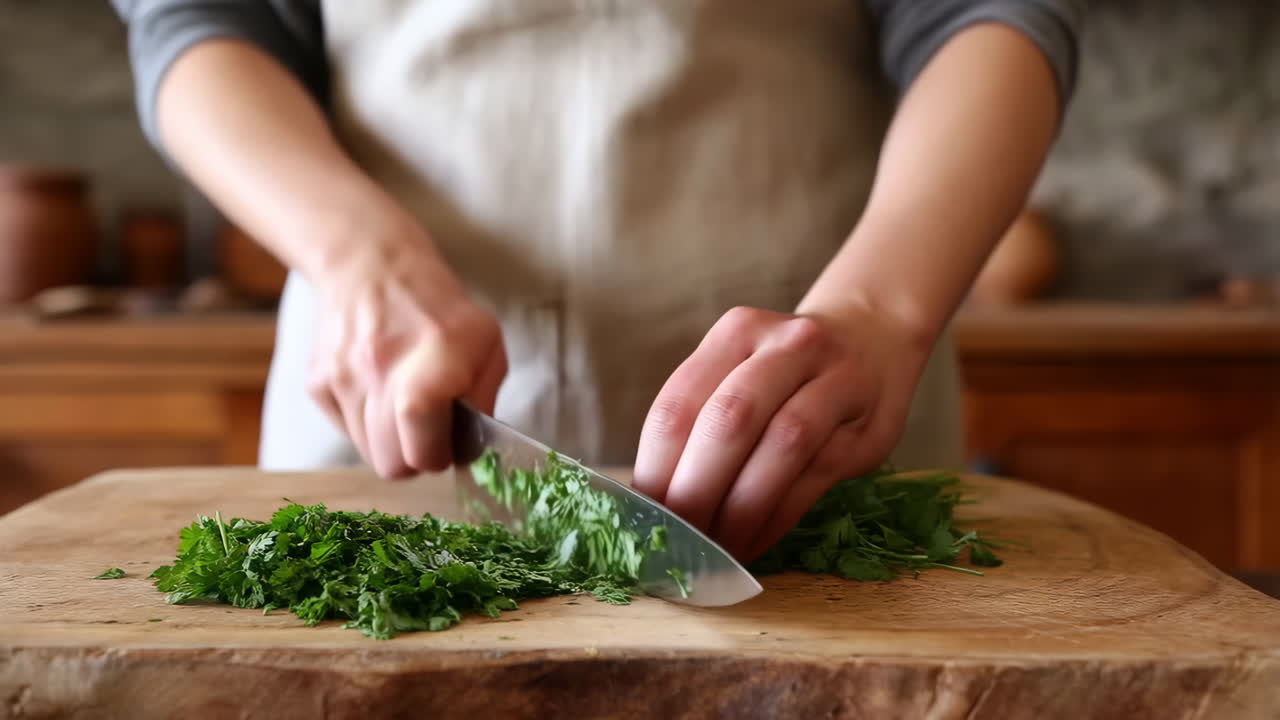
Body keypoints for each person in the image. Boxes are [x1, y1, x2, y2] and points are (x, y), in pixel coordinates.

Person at [111, 0, 1083, 561]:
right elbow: (197, 19)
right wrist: (355, 255)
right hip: (394, 411)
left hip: (813, 416)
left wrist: (880, 309)